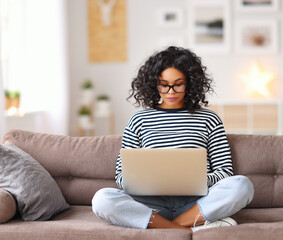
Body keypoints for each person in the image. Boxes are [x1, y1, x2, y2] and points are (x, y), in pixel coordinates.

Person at [92, 46, 254, 233]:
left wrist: (192, 181)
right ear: (154, 84)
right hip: (150, 206)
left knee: (242, 185)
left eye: (178, 84)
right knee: (102, 199)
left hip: (197, 202)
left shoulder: (209, 119)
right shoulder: (139, 120)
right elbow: (121, 177)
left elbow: (224, 171)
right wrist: (150, 182)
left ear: (190, 83)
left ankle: (170, 226)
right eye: (164, 84)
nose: (171, 91)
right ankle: (190, 228)